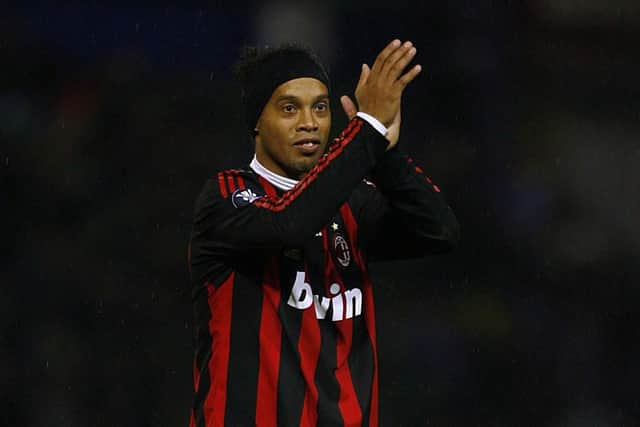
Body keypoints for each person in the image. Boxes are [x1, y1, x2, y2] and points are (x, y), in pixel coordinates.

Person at [188, 39, 460, 426]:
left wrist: (384, 154)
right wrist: (366, 132)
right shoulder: (226, 197)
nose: (309, 123)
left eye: (319, 106)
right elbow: (290, 223)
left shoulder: (352, 205)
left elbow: (440, 231)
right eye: (288, 108)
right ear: (256, 123)